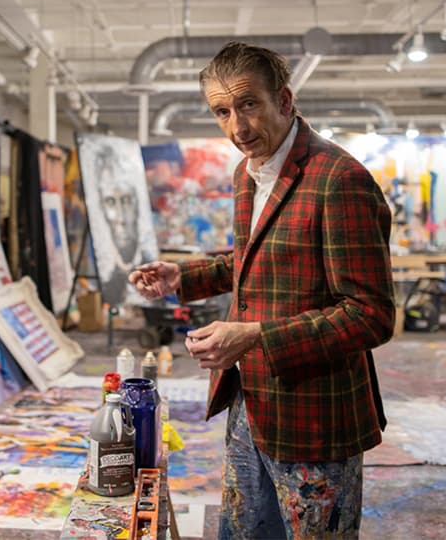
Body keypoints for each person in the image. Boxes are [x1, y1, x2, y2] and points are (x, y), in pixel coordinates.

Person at [130, 42, 394, 539]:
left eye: (249, 105)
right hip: (251, 403)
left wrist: (254, 336)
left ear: (285, 101)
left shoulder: (340, 180)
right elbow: (259, 259)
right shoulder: (248, 174)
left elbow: (370, 315)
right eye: (223, 112)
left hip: (316, 418)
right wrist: (184, 278)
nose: (238, 128)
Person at [93, 144, 146, 307]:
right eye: (110, 202)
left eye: (126, 200)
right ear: (101, 207)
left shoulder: (149, 262)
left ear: (137, 204)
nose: (120, 218)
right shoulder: (108, 278)